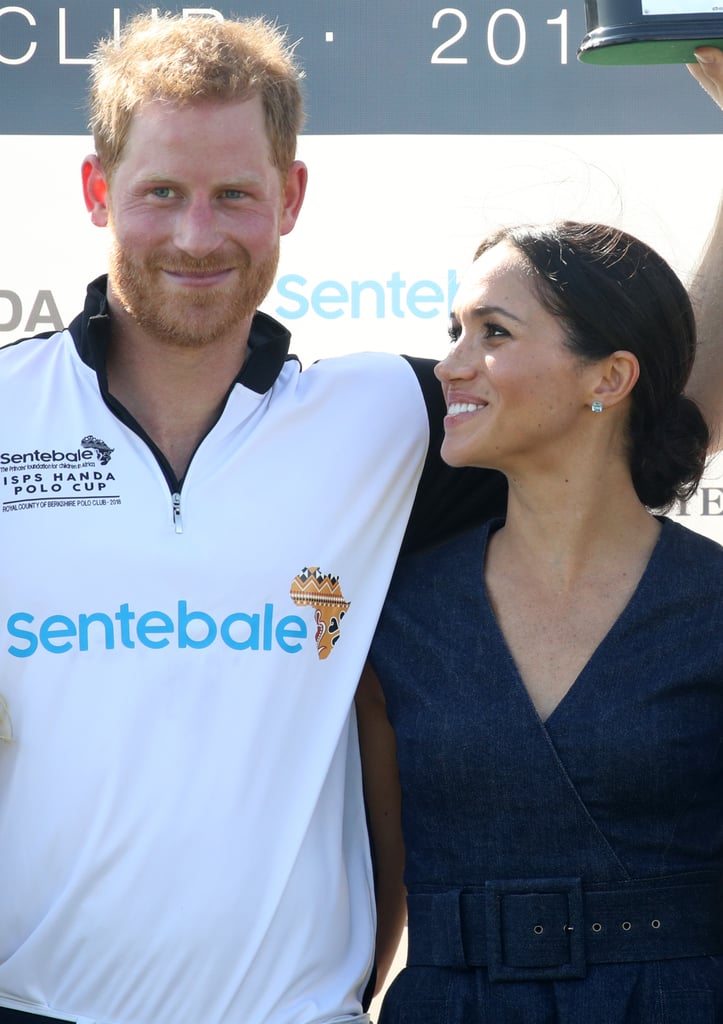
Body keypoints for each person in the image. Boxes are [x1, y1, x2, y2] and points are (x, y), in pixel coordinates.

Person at [0, 10, 719, 1023]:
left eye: (235, 195)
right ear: (95, 192)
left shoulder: (380, 414)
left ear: (289, 199)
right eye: (161, 192)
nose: (196, 235)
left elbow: (646, 412)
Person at [364, 216, 723, 1023]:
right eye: (453, 331)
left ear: (608, 378)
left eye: (492, 332)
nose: (450, 365)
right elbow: (377, 899)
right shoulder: (395, 615)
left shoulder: (710, 607)